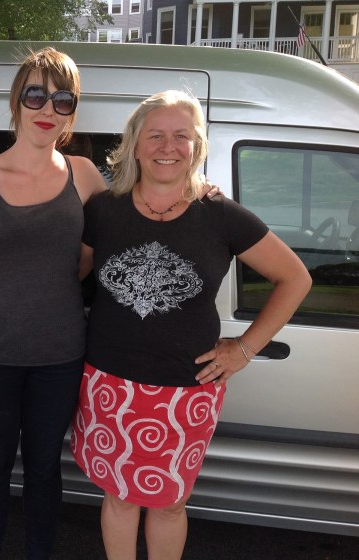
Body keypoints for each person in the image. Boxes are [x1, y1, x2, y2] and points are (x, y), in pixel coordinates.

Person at [71, 89, 312, 560]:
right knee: (119, 498)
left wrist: (243, 350)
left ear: (197, 146)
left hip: (187, 393)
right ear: (135, 144)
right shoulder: (102, 210)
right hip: (109, 384)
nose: (168, 146)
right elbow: (69, 276)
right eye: (155, 135)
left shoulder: (220, 215)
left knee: (168, 505)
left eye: (181, 136)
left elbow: (295, 278)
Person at [0, 47, 106, 559]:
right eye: (35, 93)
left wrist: (198, 191)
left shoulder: (84, 176)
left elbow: (93, 257)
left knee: (43, 467)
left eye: (62, 98)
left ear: (72, 112)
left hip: (59, 356)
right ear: (16, 101)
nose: (47, 108)